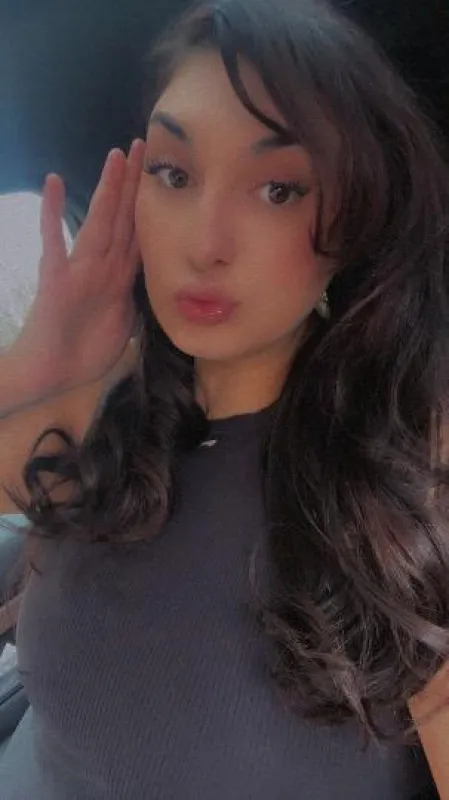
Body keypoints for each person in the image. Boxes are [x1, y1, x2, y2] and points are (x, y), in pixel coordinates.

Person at [0, 0, 448, 796]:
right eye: (173, 175)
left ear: (356, 217)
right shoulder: (106, 407)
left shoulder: (409, 468)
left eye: (278, 189)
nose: (204, 243)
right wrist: (29, 372)